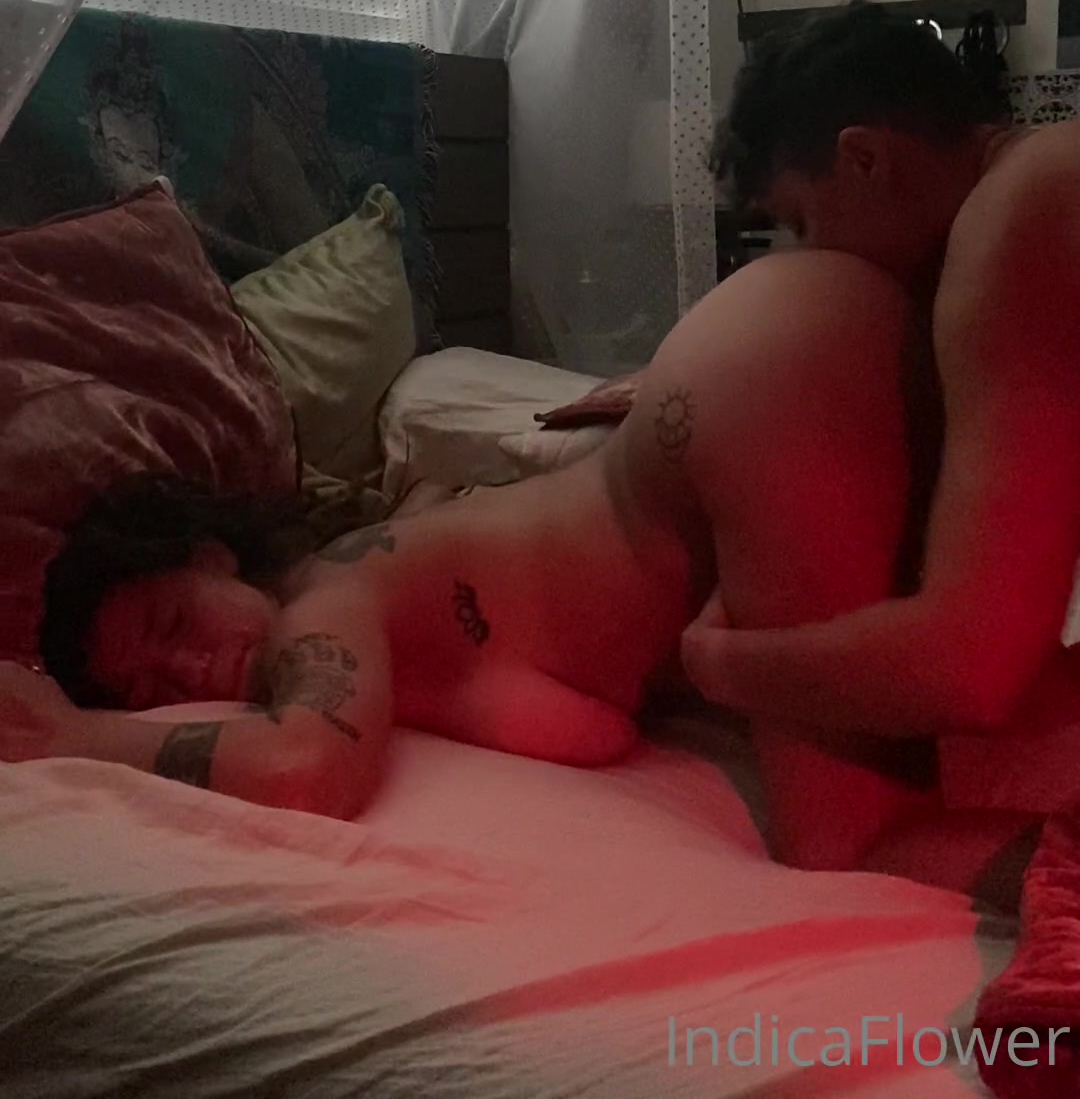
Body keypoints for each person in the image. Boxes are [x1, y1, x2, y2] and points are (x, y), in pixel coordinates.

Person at [0, 242, 940, 874]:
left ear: (214, 555)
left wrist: (75, 737)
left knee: (845, 845)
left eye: (170, 623)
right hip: (776, 356)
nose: (185, 669)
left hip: (762, 397)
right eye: (147, 689)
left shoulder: (320, 603)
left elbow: (302, 768)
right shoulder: (390, 602)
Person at [683, 2, 1080, 774]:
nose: (812, 262)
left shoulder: (1020, 214)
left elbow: (971, 669)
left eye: (802, 222)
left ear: (864, 159)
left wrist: (720, 664)